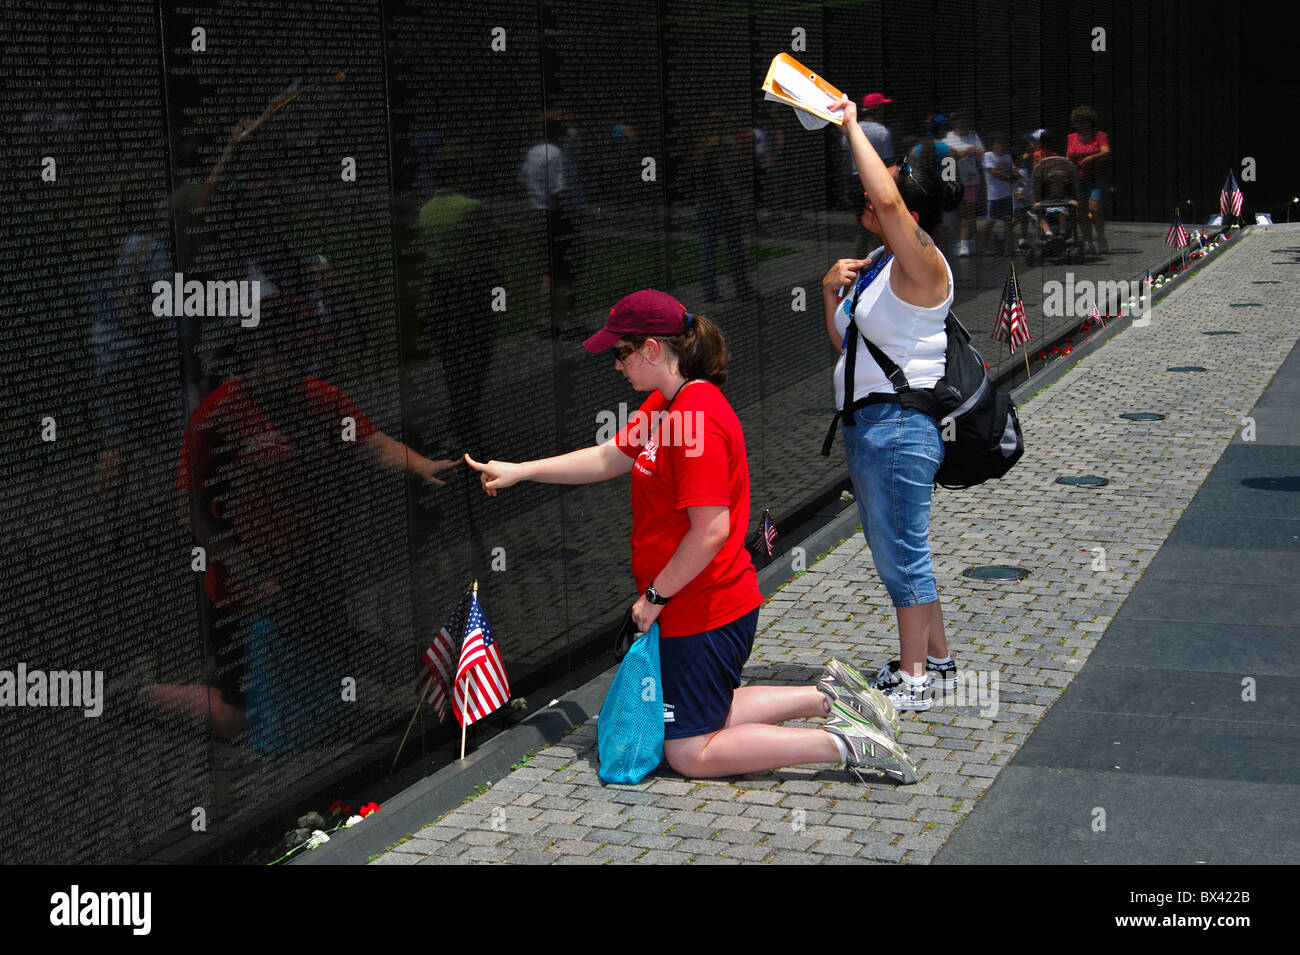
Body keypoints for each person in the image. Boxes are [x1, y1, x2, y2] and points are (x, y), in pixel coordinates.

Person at [465, 290, 918, 784]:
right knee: (703, 710)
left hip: (704, 608)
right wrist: (519, 471)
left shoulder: (693, 416)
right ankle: (833, 696)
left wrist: (654, 598)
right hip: (699, 604)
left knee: (688, 749)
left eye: (621, 353)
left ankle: (845, 743)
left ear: (653, 349)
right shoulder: (666, 403)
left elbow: (711, 530)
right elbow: (608, 458)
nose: (617, 367)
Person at [824, 94, 964, 711]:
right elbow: (849, 346)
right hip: (871, 426)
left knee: (902, 553)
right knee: (901, 547)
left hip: (900, 428)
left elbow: (884, 197)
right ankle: (935, 659)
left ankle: (915, 683)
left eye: (888, 200)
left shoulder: (923, 263)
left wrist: (851, 124)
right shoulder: (882, 264)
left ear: (908, 215)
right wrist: (830, 293)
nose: (872, 205)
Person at [1067, 106, 1111, 254]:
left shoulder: (1099, 136)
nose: (1081, 125)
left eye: (1084, 122)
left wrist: (1092, 157)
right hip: (1079, 179)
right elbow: (1069, 157)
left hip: (1096, 177)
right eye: (1078, 122)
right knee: (1082, 211)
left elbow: (1106, 151)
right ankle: (1088, 241)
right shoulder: (1071, 137)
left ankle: (1100, 237)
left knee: (1095, 208)